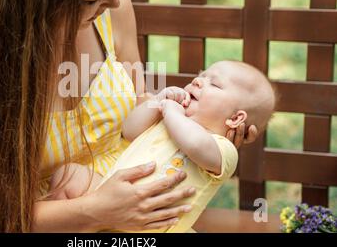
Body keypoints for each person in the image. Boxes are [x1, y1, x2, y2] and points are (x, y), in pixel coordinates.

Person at [0, 0, 256, 232]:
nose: (113, 0)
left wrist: (208, 125)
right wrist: (98, 210)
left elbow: (137, 103)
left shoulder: (113, 11)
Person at [49, 61, 275, 232]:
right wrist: (157, 102)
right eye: (200, 76)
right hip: (108, 198)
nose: (198, 81)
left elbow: (194, 144)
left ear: (236, 119)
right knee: (68, 174)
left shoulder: (222, 148)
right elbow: (129, 130)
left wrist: (172, 113)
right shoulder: (167, 118)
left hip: (155, 226)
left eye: (213, 83)